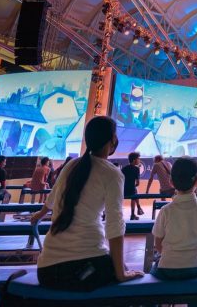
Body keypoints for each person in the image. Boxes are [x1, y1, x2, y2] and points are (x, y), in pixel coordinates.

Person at [30, 116, 142, 291]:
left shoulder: (72, 165)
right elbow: (115, 223)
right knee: (124, 276)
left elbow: (53, 197)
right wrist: (121, 273)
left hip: (46, 272)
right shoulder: (112, 173)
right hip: (80, 270)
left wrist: (40, 214)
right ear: (113, 139)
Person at [151, 156, 197, 307]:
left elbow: (158, 244)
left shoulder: (166, 210)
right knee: (196, 294)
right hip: (195, 267)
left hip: (168, 268)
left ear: (171, 182)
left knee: (151, 274)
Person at [121, 152, 144, 219]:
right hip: (131, 190)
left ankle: (138, 209)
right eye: (138, 158)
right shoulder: (136, 169)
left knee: (134, 191)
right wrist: (134, 186)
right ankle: (134, 212)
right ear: (134, 160)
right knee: (134, 192)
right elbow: (138, 183)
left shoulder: (124, 168)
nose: (139, 160)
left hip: (123, 190)